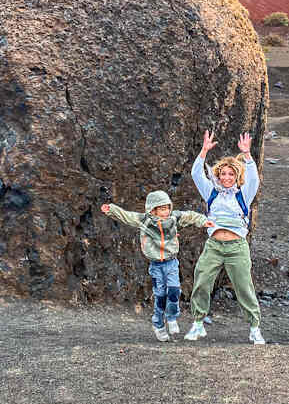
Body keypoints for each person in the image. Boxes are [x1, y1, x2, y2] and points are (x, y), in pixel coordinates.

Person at [184, 130, 265, 345]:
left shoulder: (243, 194)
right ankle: (198, 323)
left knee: (244, 286)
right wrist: (204, 151)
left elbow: (254, 178)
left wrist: (247, 155)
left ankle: (255, 327)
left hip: (237, 246)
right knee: (202, 281)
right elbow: (195, 174)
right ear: (218, 176)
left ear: (236, 176)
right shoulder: (211, 192)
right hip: (214, 245)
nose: (227, 178)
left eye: (231, 174)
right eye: (223, 174)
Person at [101, 191, 212, 341]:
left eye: (167, 208)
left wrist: (203, 221)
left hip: (171, 262)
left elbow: (190, 216)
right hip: (156, 266)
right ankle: (158, 325)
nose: (166, 212)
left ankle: (172, 317)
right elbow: (127, 216)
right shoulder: (145, 221)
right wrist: (112, 210)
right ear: (152, 210)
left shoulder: (173, 218)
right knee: (160, 296)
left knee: (174, 291)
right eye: (162, 209)